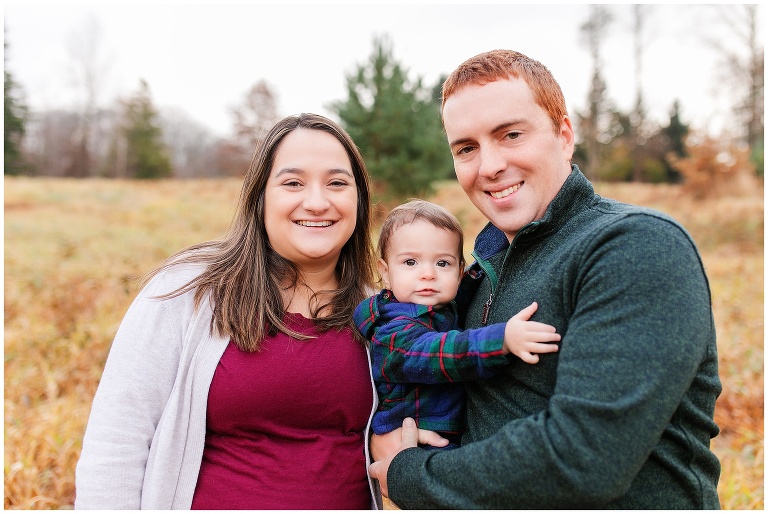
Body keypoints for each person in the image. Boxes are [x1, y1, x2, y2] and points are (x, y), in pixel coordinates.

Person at [368, 50, 722, 509]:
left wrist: (412, 474)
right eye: (466, 148)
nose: (489, 166)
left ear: (564, 135)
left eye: (511, 135)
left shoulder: (635, 246)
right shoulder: (477, 273)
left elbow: (586, 458)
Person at [76, 113, 385, 509]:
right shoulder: (186, 292)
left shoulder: (383, 313)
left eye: (337, 183)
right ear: (260, 197)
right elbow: (116, 443)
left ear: (359, 200)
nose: (316, 202)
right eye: (292, 183)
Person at [354, 199, 560, 450]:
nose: (428, 274)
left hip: (448, 431)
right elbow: (438, 352)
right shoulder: (392, 330)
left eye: (442, 263)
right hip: (417, 437)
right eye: (410, 262)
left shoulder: (441, 307)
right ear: (385, 273)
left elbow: (466, 291)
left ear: (459, 271)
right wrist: (502, 339)